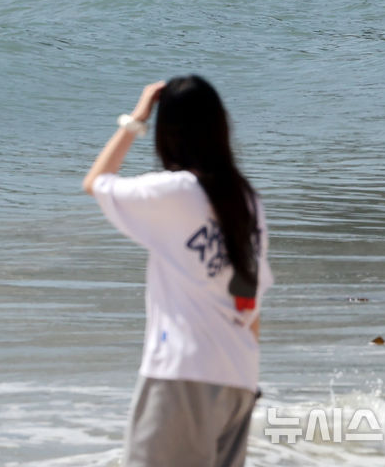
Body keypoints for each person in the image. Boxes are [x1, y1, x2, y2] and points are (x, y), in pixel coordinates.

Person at [83, 76, 273, 467]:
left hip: (183, 373)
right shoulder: (246, 199)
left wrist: (137, 118)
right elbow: (249, 299)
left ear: (168, 133)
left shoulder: (175, 192)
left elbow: (97, 182)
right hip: (238, 375)